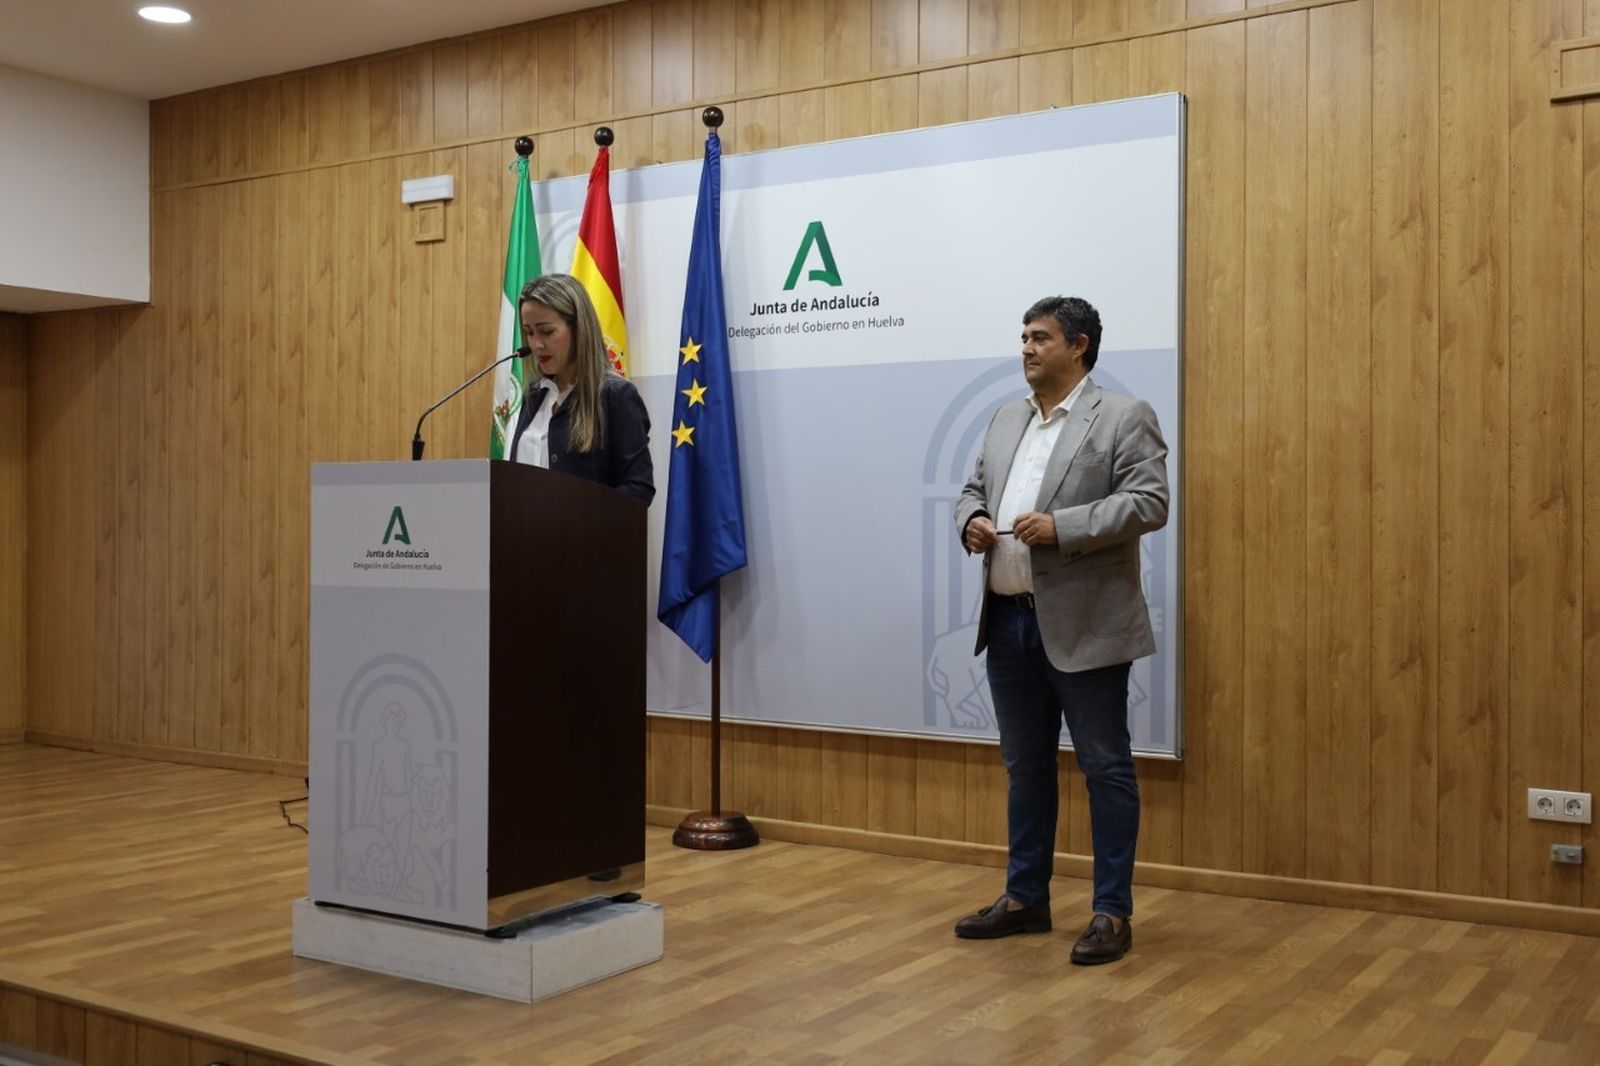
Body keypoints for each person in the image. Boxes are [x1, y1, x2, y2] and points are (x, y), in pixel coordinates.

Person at [952, 295, 1168, 966]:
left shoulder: (1123, 416)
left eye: (1039, 338)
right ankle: (1026, 900)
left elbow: (1150, 501)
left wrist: (1064, 527)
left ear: (1078, 346)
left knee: (1105, 769)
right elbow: (971, 491)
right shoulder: (1004, 418)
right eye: (1022, 337)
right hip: (1010, 624)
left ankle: (1111, 912)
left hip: (1087, 625)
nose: (1025, 349)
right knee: (1025, 769)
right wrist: (972, 521)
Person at [508, 273, 655, 505]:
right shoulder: (535, 394)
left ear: (579, 329)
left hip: (585, 540)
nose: (535, 344)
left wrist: (577, 518)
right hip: (525, 538)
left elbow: (639, 488)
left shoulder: (615, 396)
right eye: (529, 332)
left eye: (546, 331)